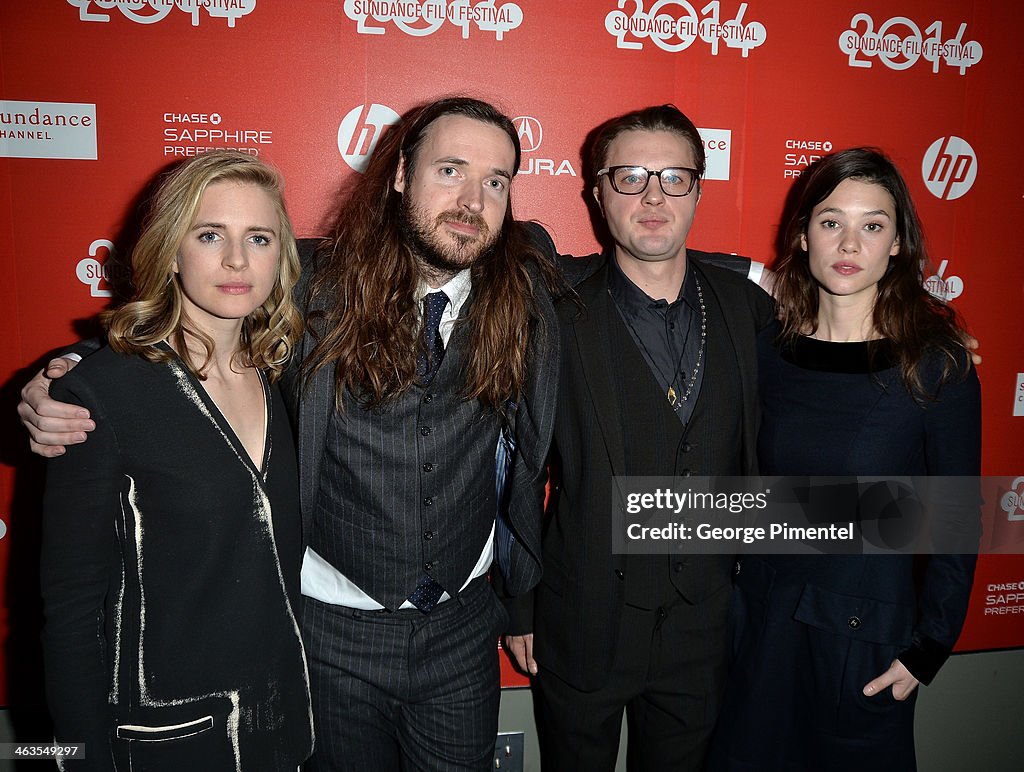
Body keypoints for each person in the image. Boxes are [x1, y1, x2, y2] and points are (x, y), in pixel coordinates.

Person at [22, 98, 562, 772]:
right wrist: (67, 376)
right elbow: (195, 308)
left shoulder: (527, 276)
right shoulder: (307, 282)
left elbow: (633, 274)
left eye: (495, 180)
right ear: (399, 174)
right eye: (449, 170)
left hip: (461, 627)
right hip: (326, 632)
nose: (471, 200)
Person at [505, 105, 774, 771]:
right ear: (597, 193)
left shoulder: (752, 308)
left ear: (698, 191)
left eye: (674, 178)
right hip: (580, 619)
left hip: (704, 627)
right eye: (630, 177)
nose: (653, 196)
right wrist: (517, 604)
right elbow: (515, 461)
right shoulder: (553, 306)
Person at [705, 148, 981, 771]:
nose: (849, 242)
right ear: (803, 236)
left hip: (864, 639)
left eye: (872, 225)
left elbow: (956, 517)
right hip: (761, 625)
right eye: (831, 222)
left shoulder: (936, 364)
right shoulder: (767, 352)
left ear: (897, 244)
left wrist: (929, 648)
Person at [40, 150, 313, 770]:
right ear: (171, 247)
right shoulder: (103, 391)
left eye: (260, 237)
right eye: (210, 233)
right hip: (161, 737)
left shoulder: (285, 374)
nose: (237, 260)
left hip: (282, 724)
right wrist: (74, 756)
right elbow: (72, 606)